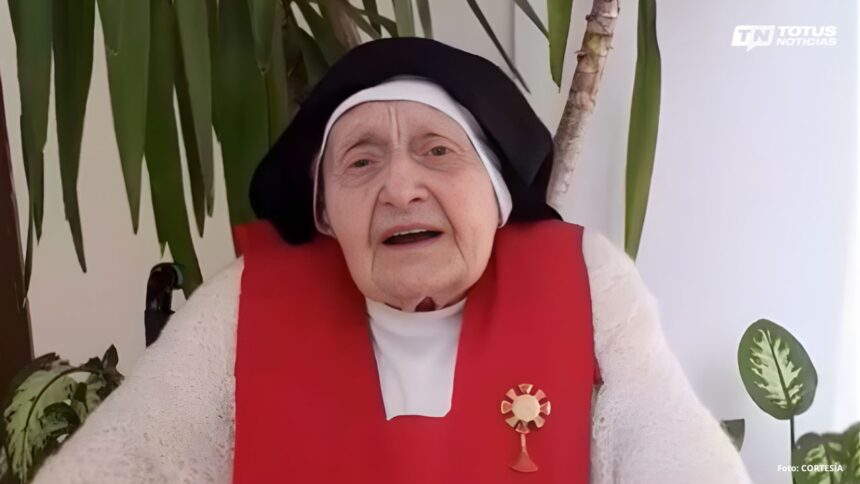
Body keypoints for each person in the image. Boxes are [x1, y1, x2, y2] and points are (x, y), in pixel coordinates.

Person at [33, 38, 752, 483]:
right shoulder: (247, 302)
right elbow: (123, 461)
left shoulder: (587, 285)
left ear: (498, 195)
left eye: (437, 151)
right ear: (324, 214)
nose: (400, 188)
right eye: (361, 161)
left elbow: (679, 456)